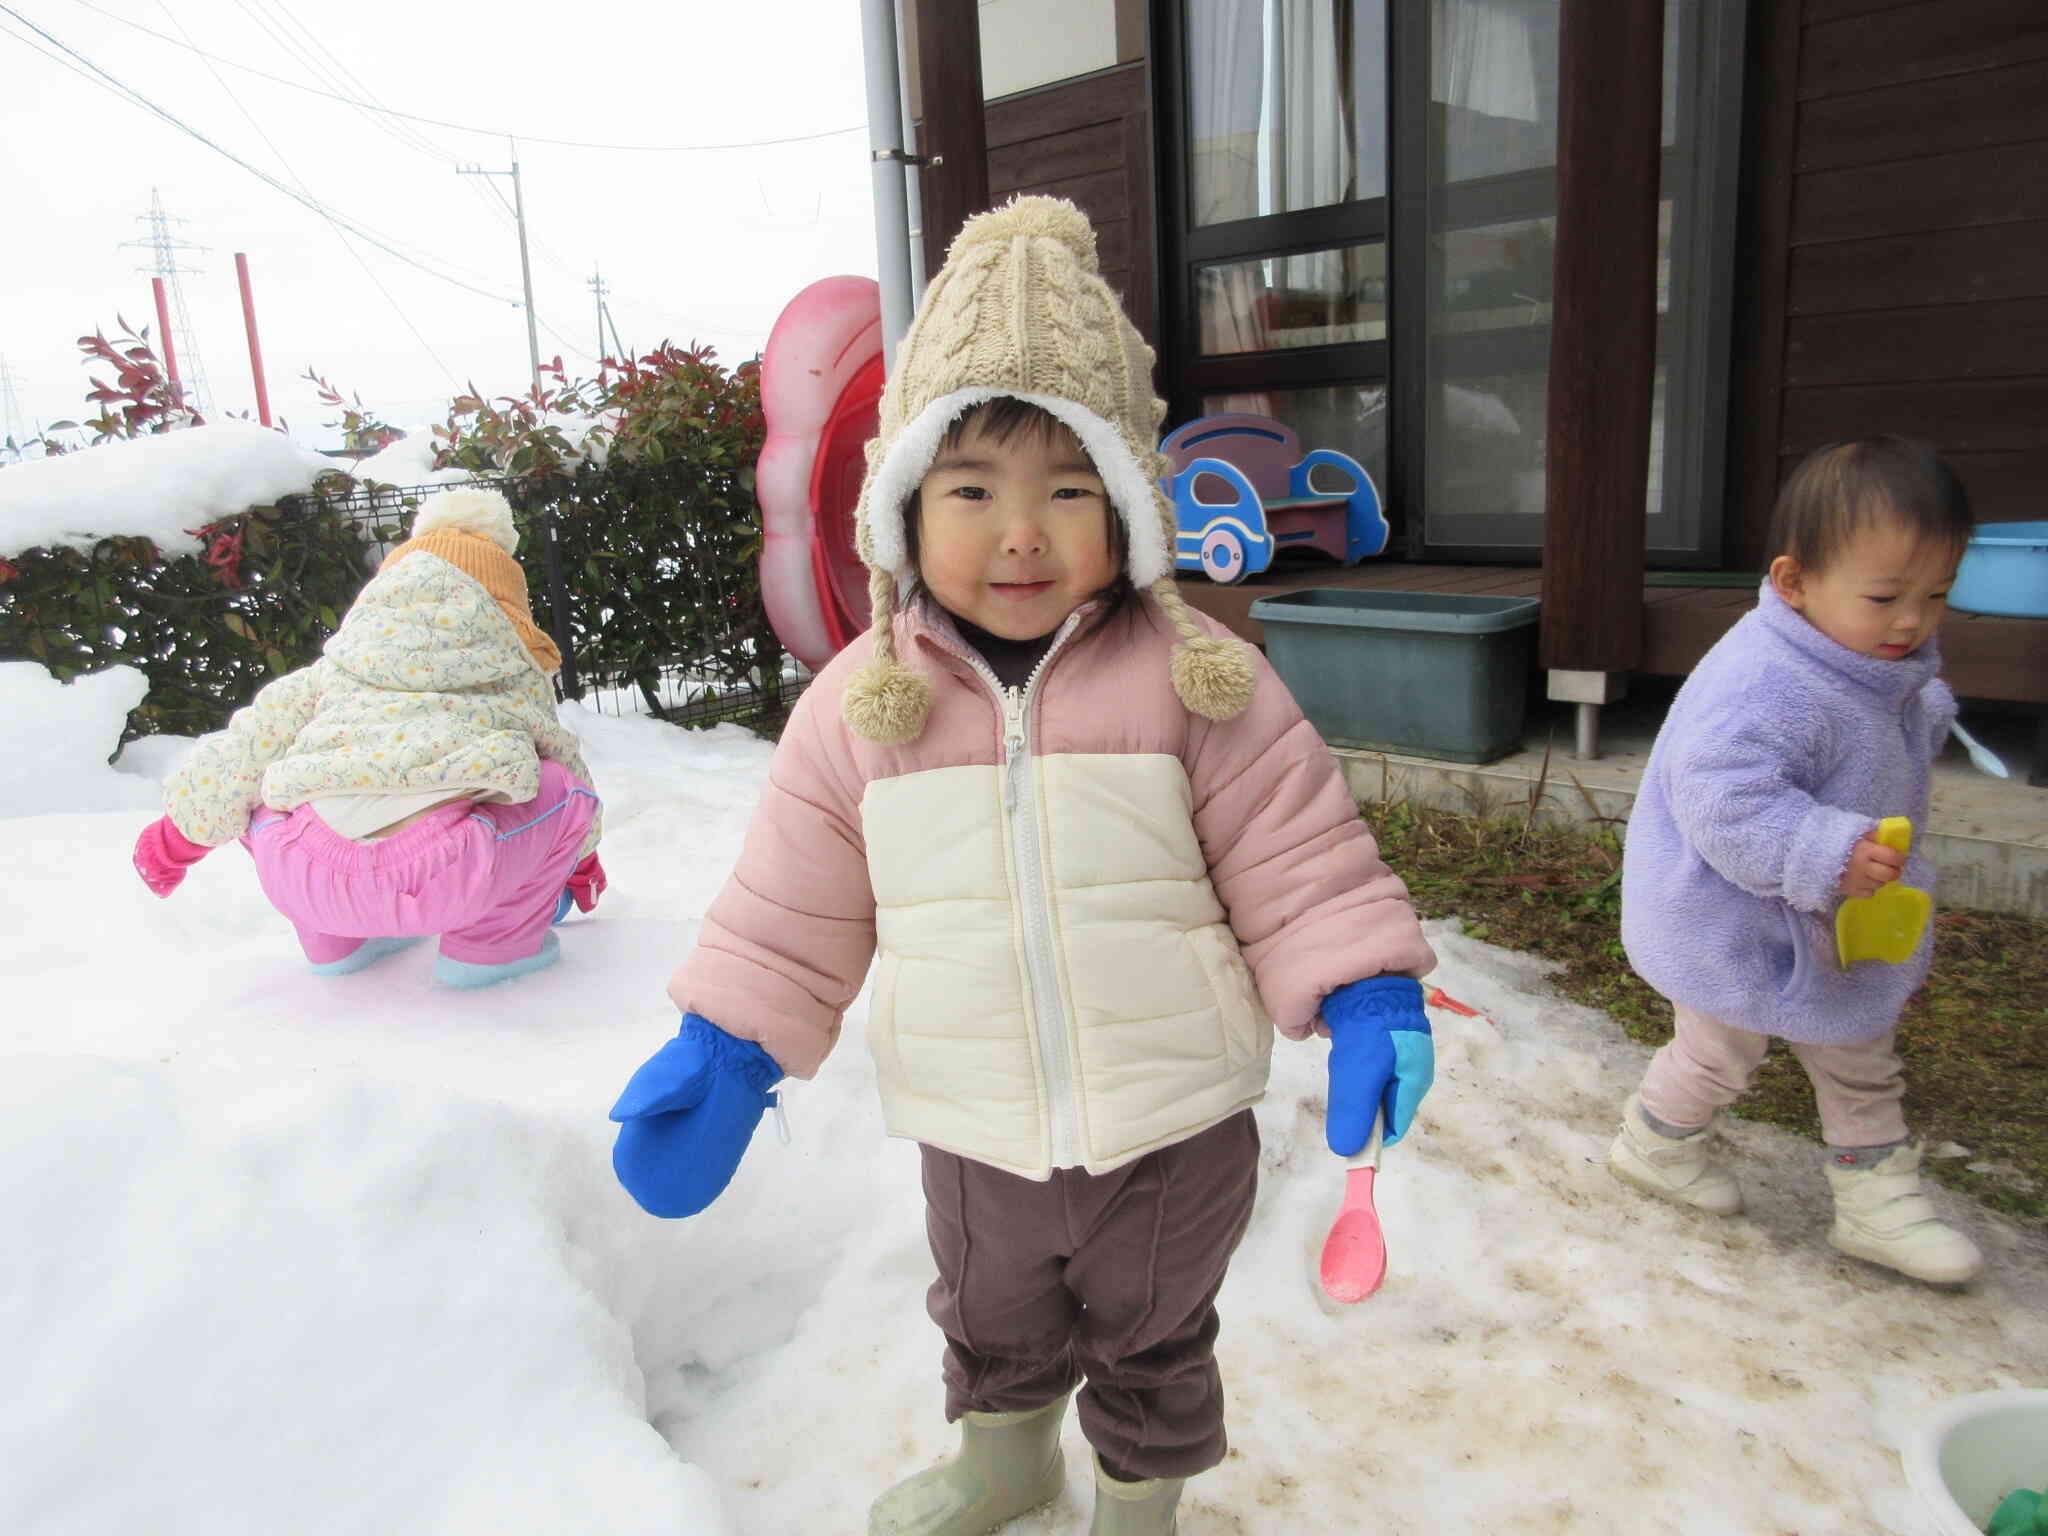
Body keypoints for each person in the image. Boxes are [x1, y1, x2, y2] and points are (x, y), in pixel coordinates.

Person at [604, 195, 1438, 1536]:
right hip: (975, 1125)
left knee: (1155, 1337)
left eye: (1068, 491)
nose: (1020, 534)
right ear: (903, 507)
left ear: (1125, 513)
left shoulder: (1194, 679)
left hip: (1172, 1123)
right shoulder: (861, 709)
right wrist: (727, 1049)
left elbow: (1300, 853)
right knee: (989, 1312)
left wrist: (1367, 996)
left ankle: (1138, 1507)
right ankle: (1004, 1461)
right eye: (974, 490)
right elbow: (790, 905)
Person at [1609, 437, 1981, 1285]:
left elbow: (1892, 706)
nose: (1912, 622)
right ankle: (1654, 1146)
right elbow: (1721, 794)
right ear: (1795, 582)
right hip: (1734, 911)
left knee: (1859, 1050)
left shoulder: (1869, 657)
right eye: (1886, 596)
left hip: (1837, 915)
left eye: (1937, 596)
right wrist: (1822, 849)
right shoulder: (1762, 678)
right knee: (1718, 1049)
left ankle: (1877, 1204)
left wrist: (1922, 712)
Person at [132, 485, 605, 988]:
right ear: (508, 612)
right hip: (447, 875)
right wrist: (577, 865)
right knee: (562, 787)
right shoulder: (510, 675)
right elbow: (570, 777)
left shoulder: (328, 676)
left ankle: (337, 943)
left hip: (306, 878)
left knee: (263, 779)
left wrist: (172, 841)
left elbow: (234, 760)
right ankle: (490, 951)